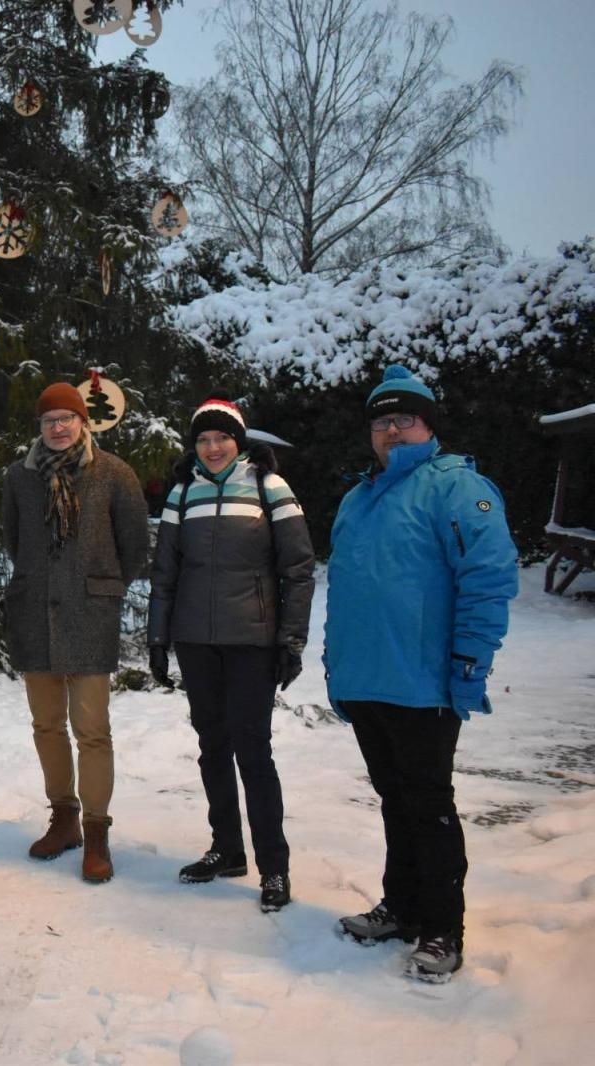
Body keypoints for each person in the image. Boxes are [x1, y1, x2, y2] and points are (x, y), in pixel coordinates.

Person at [324, 365, 516, 982]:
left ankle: (441, 928)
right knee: (394, 800)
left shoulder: (456, 488)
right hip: (367, 678)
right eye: (381, 421)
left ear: (428, 424)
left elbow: (487, 580)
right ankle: (402, 907)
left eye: (403, 418)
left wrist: (468, 665)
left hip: (423, 681)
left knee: (428, 804)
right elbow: (348, 590)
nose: (391, 430)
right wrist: (336, 665)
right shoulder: (357, 498)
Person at [147, 396, 316, 912]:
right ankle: (227, 849)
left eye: (221, 438)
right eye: (203, 439)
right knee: (212, 747)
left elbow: (298, 568)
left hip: (252, 641)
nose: (213, 447)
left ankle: (275, 867)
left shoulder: (269, 486)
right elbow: (166, 573)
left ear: (238, 441)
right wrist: (158, 638)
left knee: (253, 751)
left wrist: (291, 639)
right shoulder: (182, 492)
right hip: (197, 641)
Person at [2, 381, 149, 882]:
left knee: (92, 729)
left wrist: (101, 587)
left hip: (90, 614)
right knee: (46, 725)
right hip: (35, 614)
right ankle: (63, 817)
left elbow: (134, 547)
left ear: (83, 423)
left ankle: (97, 829)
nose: (58, 428)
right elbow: (14, 539)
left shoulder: (113, 474)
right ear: (39, 429)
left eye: (66, 419)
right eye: (49, 421)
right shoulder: (19, 478)